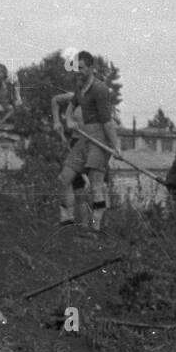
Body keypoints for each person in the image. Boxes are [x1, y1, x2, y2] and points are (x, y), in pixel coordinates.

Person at [53, 51, 118, 232]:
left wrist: (116, 147)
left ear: (91, 68)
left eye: (81, 68)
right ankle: (67, 222)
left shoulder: (100, 89)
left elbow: (107, 121)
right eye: (75, 68)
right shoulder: (81, 85)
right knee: (64, 177)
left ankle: (96, 229)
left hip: (99, 138)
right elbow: (72, 105)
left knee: (96, 184)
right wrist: (68, 119)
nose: (77, 71)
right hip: (84, 136)